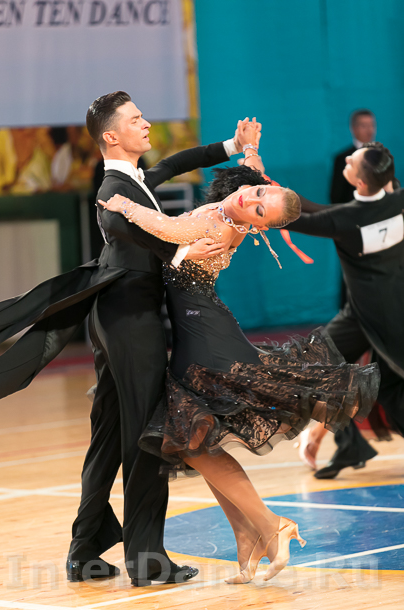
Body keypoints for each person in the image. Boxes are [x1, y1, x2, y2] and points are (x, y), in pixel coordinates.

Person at [0, 92, 254, 586]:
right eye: (135, 119)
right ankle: (147, 561)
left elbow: (175, 162)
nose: (146, 123)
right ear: (111, 135)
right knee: (148, 432)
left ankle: (84, 550)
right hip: (129, 318)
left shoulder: (135, 179)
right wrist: (180, 252)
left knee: (107, 436)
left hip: (117, 316)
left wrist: (231, 146)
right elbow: (120, 225)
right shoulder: (113, 188)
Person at [98, 134, 379, 583]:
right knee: (197, 442)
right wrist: (247, 154)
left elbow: (166, 230)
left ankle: (269, 524)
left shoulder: (217, 224)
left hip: (204, 341)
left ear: (258, 227)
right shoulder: (234, 207)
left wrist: (123, 205)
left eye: (260, 208)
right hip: (204, 329)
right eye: (259, 192)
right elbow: (247, 185)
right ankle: (247, 532)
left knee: (192, 442)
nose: (253, 198)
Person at [283, 142, 404, 479]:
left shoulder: (345, 220)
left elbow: (294, 217)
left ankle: (341, 441)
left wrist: (258, 197)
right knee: (325, 370)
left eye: (351, 161)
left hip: (382, 319)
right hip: (378, 312)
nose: (347, 159)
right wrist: (266, 184)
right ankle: (347, 443)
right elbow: (322, 210)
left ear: (360, 182)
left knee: (320, 369)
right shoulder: (396, 202)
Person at [330, 109, 376, 204]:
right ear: (354, 129)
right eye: (364, 126)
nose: (369, 130)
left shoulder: (382, 156)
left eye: (372, 125)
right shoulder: (342, 158)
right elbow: (337, 196)